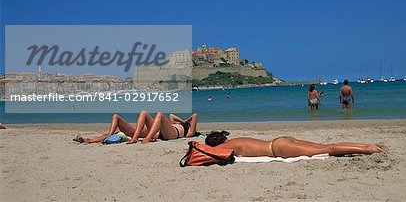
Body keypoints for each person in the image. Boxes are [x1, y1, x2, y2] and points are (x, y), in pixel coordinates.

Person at [205, 131, 387, 158]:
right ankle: (366, 145)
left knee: (327, 150)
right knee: (326, 145)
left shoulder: (227, 146)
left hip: (278, 149)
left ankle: (368, 149)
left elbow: (208, 152)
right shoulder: (236, 139)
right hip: (280, 140)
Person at [73, 111, 198, 144]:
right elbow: (171, 115)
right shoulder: (176, 123)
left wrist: (187, 123)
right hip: (160, 132)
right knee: (142, 113)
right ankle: (89, 140)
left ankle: (145, 139)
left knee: (159, 115)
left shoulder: (190, 131)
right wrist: (184, 121)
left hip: (172, 135)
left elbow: (195, 115)